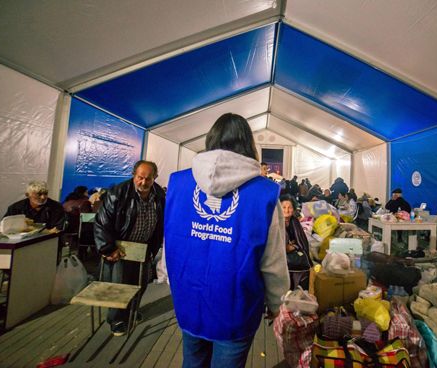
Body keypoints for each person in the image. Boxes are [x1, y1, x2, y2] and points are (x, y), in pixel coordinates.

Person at [164, 113, 289, 368]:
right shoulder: (263, 193)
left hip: (189, 296)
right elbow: (273, 260)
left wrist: (170, 278)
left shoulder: (178, 184)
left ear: (211, 139)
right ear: (248, 145)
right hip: (235, 305)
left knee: (192, 361)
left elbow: (171, 239)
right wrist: (278, 303)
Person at [94, 160, 166, 336]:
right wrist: (108, 248)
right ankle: (116, 319)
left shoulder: (159, 195)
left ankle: (131, 312)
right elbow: (102, 223)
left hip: (144, 248)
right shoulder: (117, 193)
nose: (143, 182)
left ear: (155, 177)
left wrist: (153, 248)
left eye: (148, 179)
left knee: (140, 284)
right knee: (119, 285)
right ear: (134, 175)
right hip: (121, 248)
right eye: (140, 178)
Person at [280, 195, 312, 290]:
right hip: (280, 260)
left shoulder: (295, 222)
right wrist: (292, 246)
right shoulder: (276, 223)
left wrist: (293, 246)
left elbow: (302, 242)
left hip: (293, 255)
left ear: (293, 209)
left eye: (289, 207)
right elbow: (280, 247)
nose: (287, 210)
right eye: (284, 207)